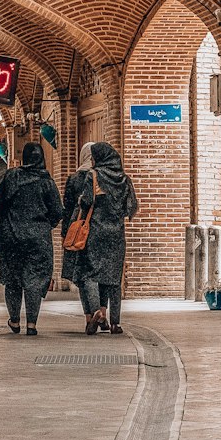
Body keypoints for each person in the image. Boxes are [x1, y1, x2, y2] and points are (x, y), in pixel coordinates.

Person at [62, 141, 138, 335]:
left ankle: (97, 311)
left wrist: (82, 201)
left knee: (90, 274)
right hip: (116, 234)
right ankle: (116, 323)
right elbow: (131, 207)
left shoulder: (93, 176)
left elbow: (86, 202)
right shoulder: (124, 179)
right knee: (114, 278)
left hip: (95, 232)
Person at [0, 144, 63, 335]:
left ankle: (14, 321)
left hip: (11, 235)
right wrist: (43, 226)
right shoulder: (46, 181)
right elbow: (57, 211)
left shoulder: (12, 176)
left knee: (13, 279)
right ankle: (32, 324)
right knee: (34, 280)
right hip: (38, 238)